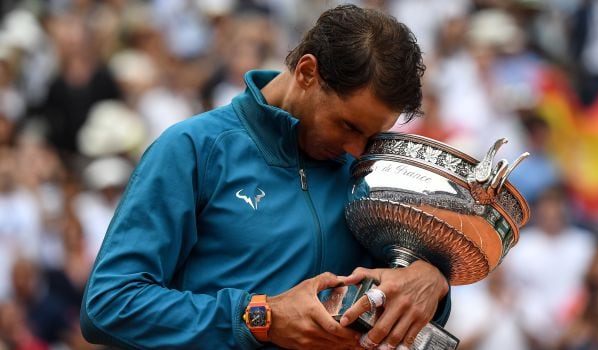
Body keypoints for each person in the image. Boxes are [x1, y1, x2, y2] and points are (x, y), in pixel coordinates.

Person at [80, 5, 451, 349]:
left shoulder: (370, 171)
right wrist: (261, 317)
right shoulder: (194, 148)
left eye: (370, 136)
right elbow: (110, 303)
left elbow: (397, 299)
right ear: (307, 72)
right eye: (347, 125)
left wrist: (431, 282)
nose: (357, 149)